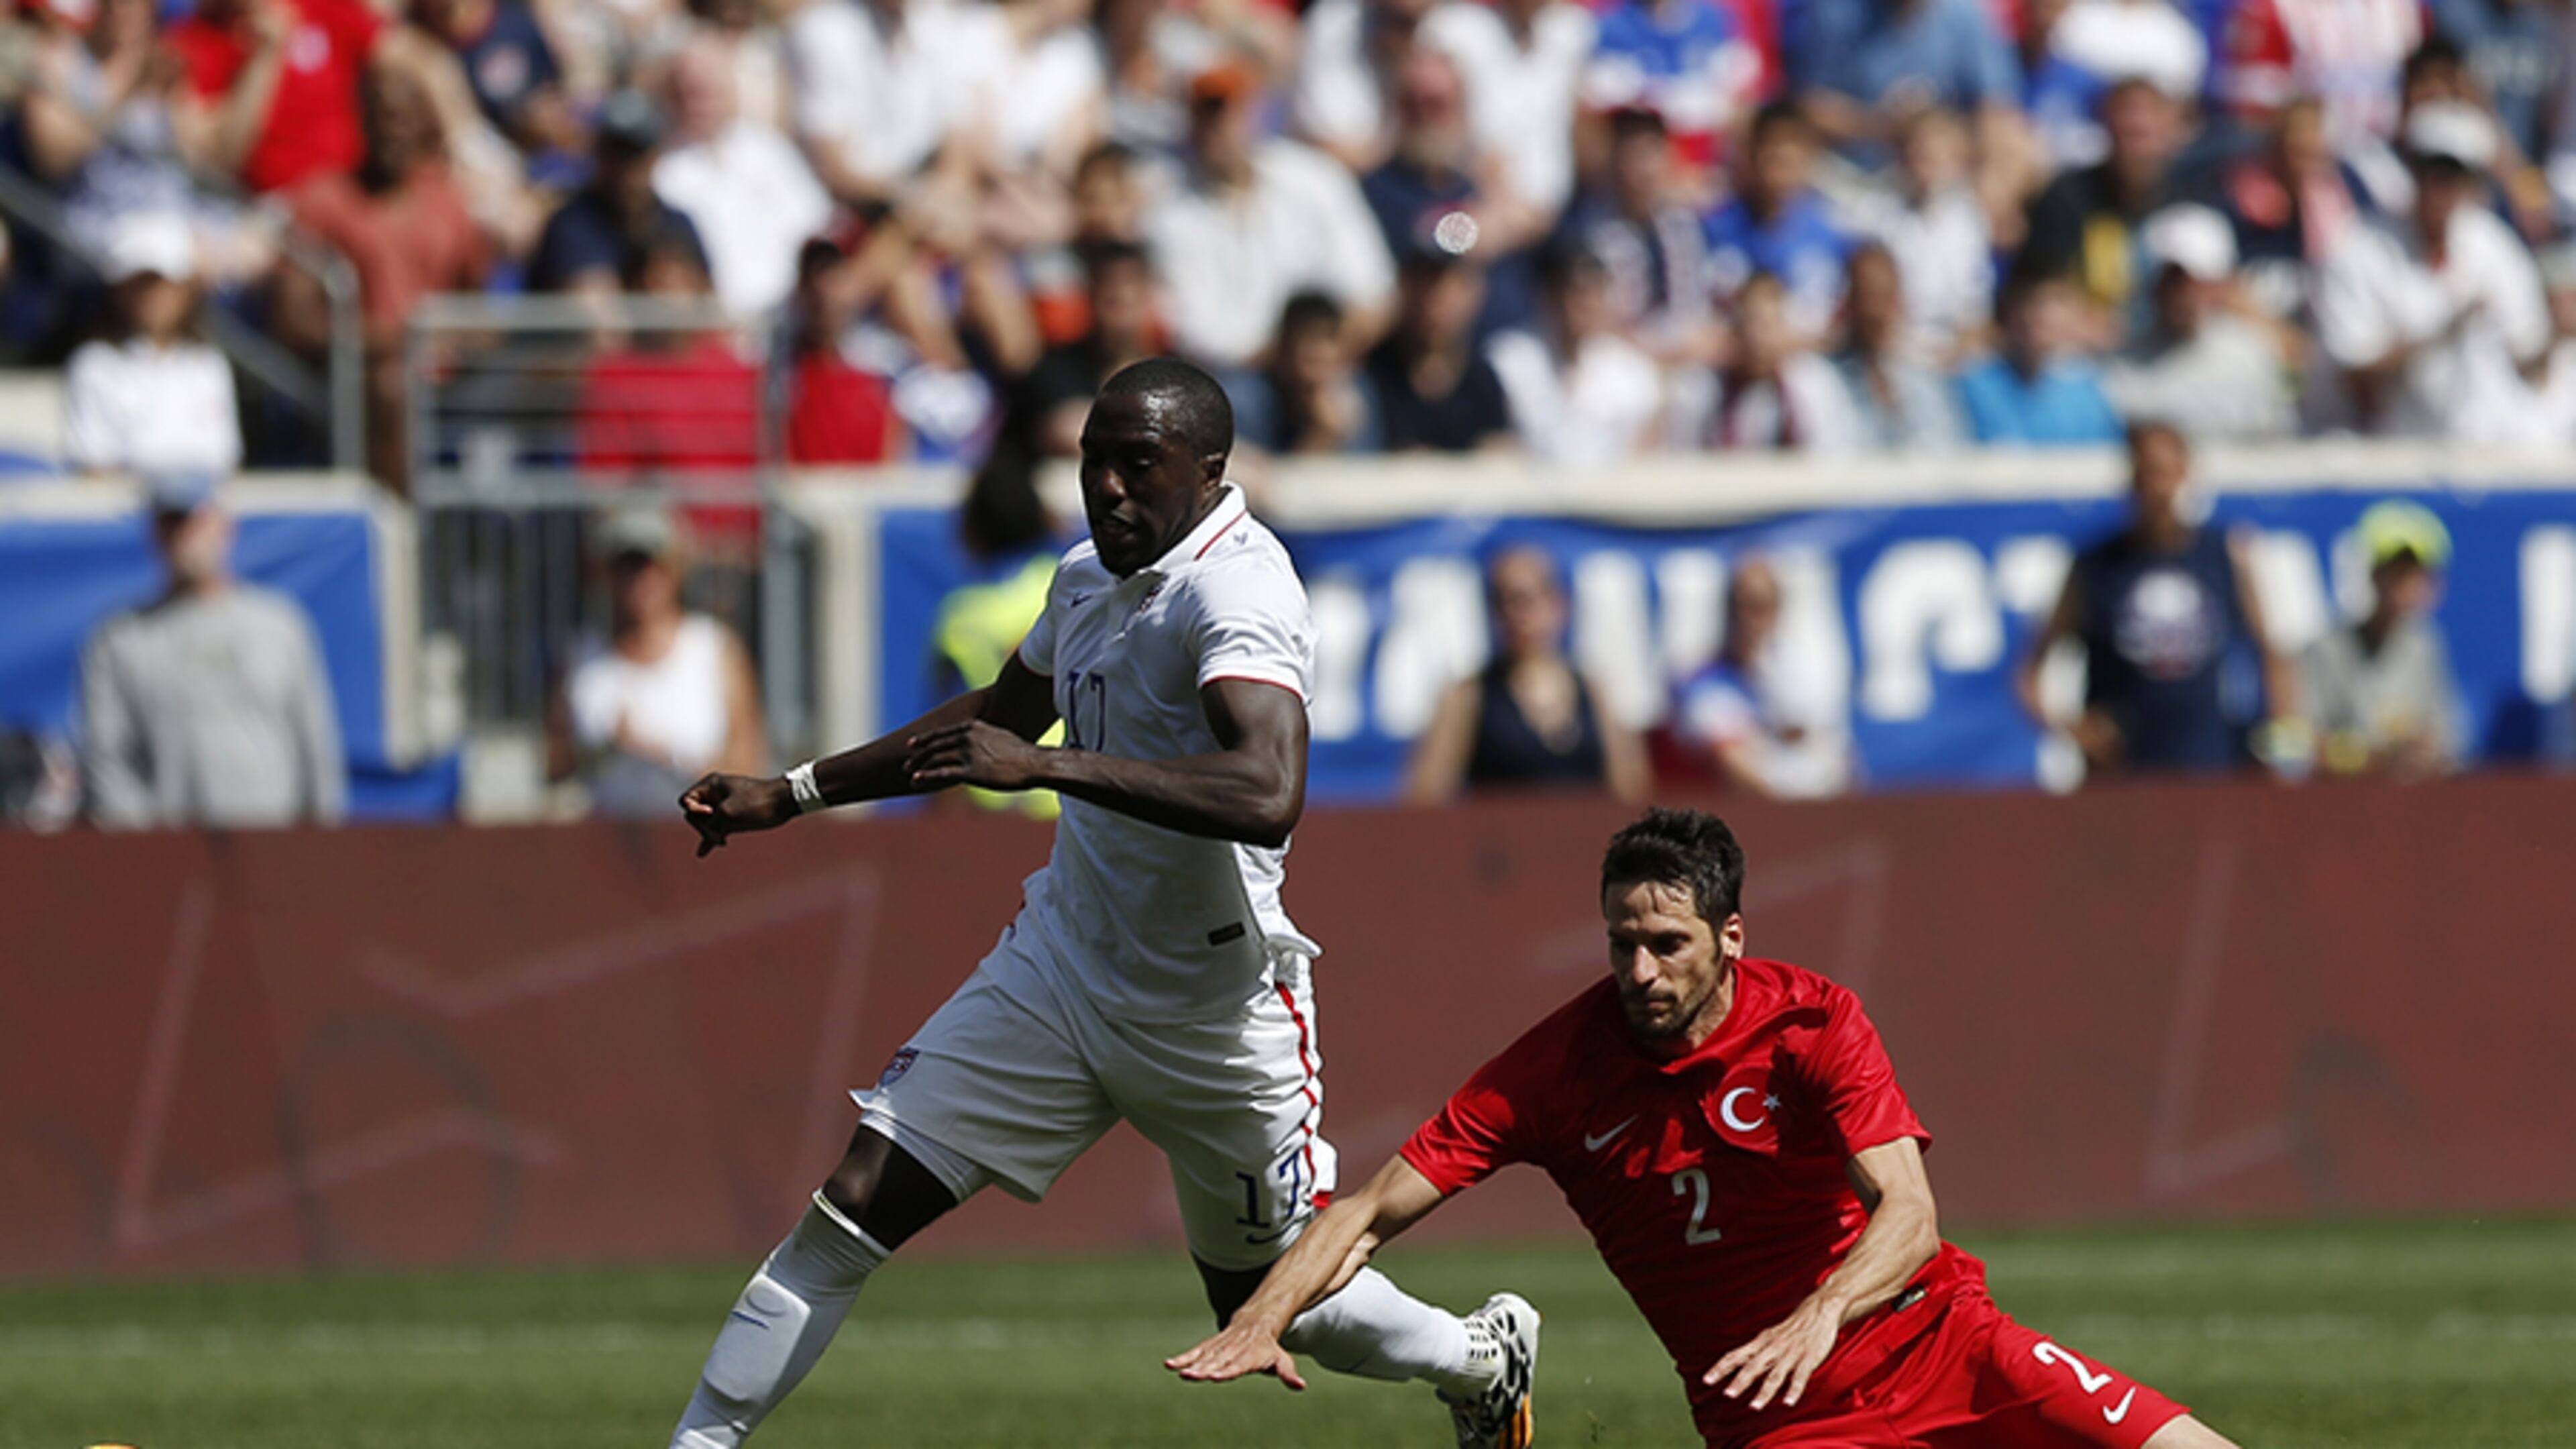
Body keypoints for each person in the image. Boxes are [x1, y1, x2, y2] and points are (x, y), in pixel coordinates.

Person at [667, 359, 1539, 1449]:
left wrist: (1054, 770)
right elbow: (999, 713)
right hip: (1063, 973)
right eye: (1093, 463)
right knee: (852, 1203)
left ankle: (1478, 1357)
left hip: (1215, 1018)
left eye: (1140, 465)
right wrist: (792, 794)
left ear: (1210, 473)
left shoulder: (1242, 588)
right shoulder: (1086, 576)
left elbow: (1269, 792)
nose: (1110, 489)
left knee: (1268, 1304)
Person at [1171, 808, 2245, 1449]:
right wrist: (1265, 1315)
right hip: (1780, 1421)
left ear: (1730, 936)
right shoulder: (1554, 1070)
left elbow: (1910, 1215)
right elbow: (1364, 1211)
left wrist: (1822, 1314)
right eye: (1621, 944)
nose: (1640, 972)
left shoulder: (1813, 1020)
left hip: (1949, 1345)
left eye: (1669, 945)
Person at [2019, 421, 2298, 778]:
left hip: (2209, 765)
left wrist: (2281, 744)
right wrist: (2076, 729)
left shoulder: (2224, 555)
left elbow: (2272, 653)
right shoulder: (2097, 565)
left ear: (2186, 474)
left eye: (2165, 473)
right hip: (2121, 776)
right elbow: (2030, 673)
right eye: (2146, 473)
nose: (2157, 488)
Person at [80, 470, 345, 829]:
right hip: (174, 864)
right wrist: (146, 854)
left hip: (271, 852)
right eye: (172, 523)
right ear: (155, 534)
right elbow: (107, 761)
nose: (184, 535)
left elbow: (316, 749)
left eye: (194, 519)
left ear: (225, 525)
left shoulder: (280, 625)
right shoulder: (121, 640)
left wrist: (314, 851)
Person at [2310, 102, 2549, 439]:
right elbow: (2354, 381)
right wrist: (2438, 338)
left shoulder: (2496, 247)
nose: (2442, 189)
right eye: (2431, 172)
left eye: (2454, 176)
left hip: (2491, 452)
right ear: (2412, 172)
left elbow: (2531, 358)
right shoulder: (2358, 248)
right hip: (2385, 451)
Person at [1146, 62, 1397, 372]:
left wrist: (1318, 356)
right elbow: (1196, 334)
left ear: (1255, 113)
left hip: (1329, 362)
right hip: (1238, 375)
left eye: (1230, 113)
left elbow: (1372, 290)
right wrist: (1285, 358)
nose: (1220, 129)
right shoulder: (1171, 214)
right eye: (1207, 117)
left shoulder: (1315, 178)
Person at [547, 508, 766, 818]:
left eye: (650, 565)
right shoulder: (579, 658)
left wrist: (665, 758)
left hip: (698, 836)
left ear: (674, 570)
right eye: (626, 567)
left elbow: (749, 765)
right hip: (605, 840)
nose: (639, 580)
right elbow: (554, 765)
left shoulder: (715, 649)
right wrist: (605, 753)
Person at [1405, 544, 1649, 802]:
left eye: (1527, 599)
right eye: (1503, 601)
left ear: (1559, 604)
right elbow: (1424, 798)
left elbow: (1631, 789)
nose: (1518, 615)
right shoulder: (1468, 696)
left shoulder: (1594, 691)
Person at [64, 212, 243, 476]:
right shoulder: (94, 365)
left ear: (186, 289)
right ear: (119, 291)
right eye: (137, 284)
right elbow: (94, 471)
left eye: (159, 282)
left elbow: (227, 464)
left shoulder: (209, 363)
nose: (150, 296)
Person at [2102, 205, 2295, 443]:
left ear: (2223, 283)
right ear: (2151, 286)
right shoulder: (2115, 373)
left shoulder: (2254, 362)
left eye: (2197, 280)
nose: (2185, 294)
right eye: (2172, 280)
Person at [2302, 500, 2466, 778]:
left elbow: (2448, 741)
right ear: (2373, 575)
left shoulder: (2426, 646)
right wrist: (2376, 757)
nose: (2408, 585)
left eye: (2418, 573)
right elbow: (2306, 747)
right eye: (2397, 572)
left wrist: (2424, 749)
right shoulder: (2326, 651)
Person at [1671, 558, 1854, 798]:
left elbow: (1836, 753)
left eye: (1765, 604)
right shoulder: (1704, 681)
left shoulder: (1800, 671)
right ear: (1729, 610)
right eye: (1747, 604)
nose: (1754, 618)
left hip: (1811, 804)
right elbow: (1739, 772)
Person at [1487, 241, 1665, 463]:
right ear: (1548, 295)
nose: (1582, 305)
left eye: (1592, 292)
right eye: (1572, 292)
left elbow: (1643, 456)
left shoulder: (1632, 372)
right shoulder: (1508, 360)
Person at [1702, 103, 1851, 343]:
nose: (1781, 157)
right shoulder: (1716, 228)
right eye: (1772, 146)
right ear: (1753, 154)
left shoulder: (1834, 232)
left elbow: (1841, 325)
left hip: (1807, 361)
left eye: (1792, 145)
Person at [1366, 246, 1517, 452]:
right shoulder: (1370, 377)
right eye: (1426, 285)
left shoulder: (1483, 381)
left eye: (1449, 289)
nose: (1435, 303)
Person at [1954, 268, 2125, 445]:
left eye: (2054, 306)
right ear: (2012, 315)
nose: (2038, 319)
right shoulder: (1976, 382)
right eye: (2033, 306)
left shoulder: (2088, 389)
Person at [1707, 272, 1863, 453]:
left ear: (1784, 326)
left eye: (1766, 326)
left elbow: (1835, 453)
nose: (1757, 339)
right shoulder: (1716, 392)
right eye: (1748, 324)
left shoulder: (1813, 383)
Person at [1833, 244, 1964, 451]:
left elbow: (1948, 445)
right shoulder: (1823, 379)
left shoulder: (1925, 378)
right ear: (1849, 301)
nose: (1875, 311)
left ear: (1899, 300)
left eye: (1884, 295)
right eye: (1867, 295)